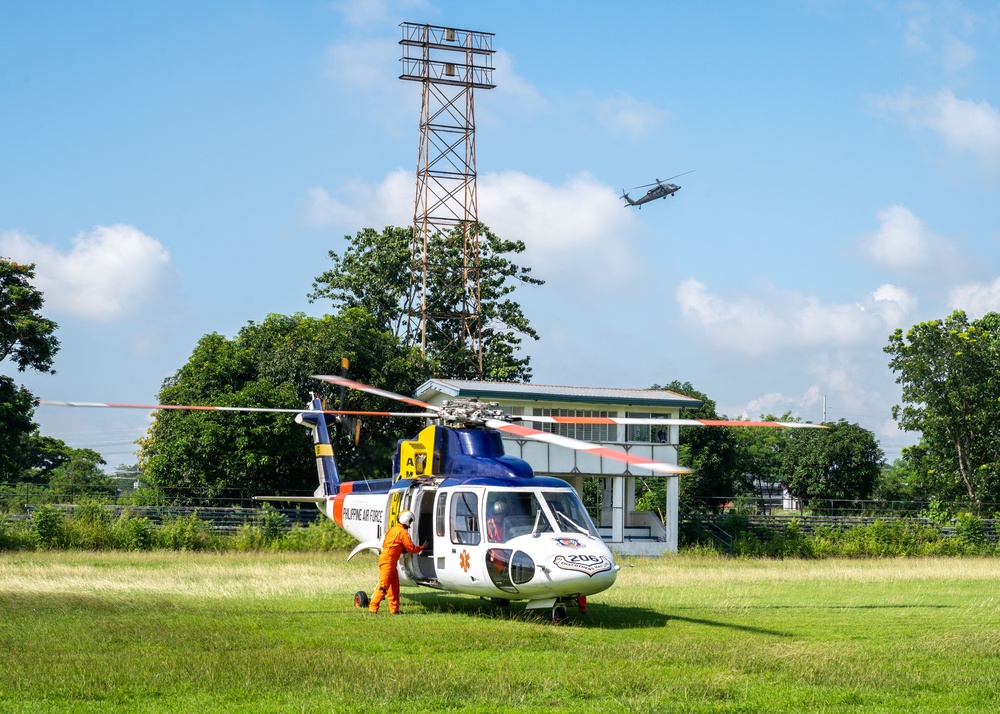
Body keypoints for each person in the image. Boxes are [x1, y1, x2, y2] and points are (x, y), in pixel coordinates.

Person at [369, 510, 426, 614]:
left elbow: (388, 543)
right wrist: (421, 548)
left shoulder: (392, 530)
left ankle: (395, 610)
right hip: (389, 561)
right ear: (407, 520)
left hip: (387, 559)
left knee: (394, 586)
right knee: (383, 586)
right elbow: (411, 548)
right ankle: (372, 609)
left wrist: (400, 549)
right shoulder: (403, 533)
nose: (410, 524)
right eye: (410, 521)